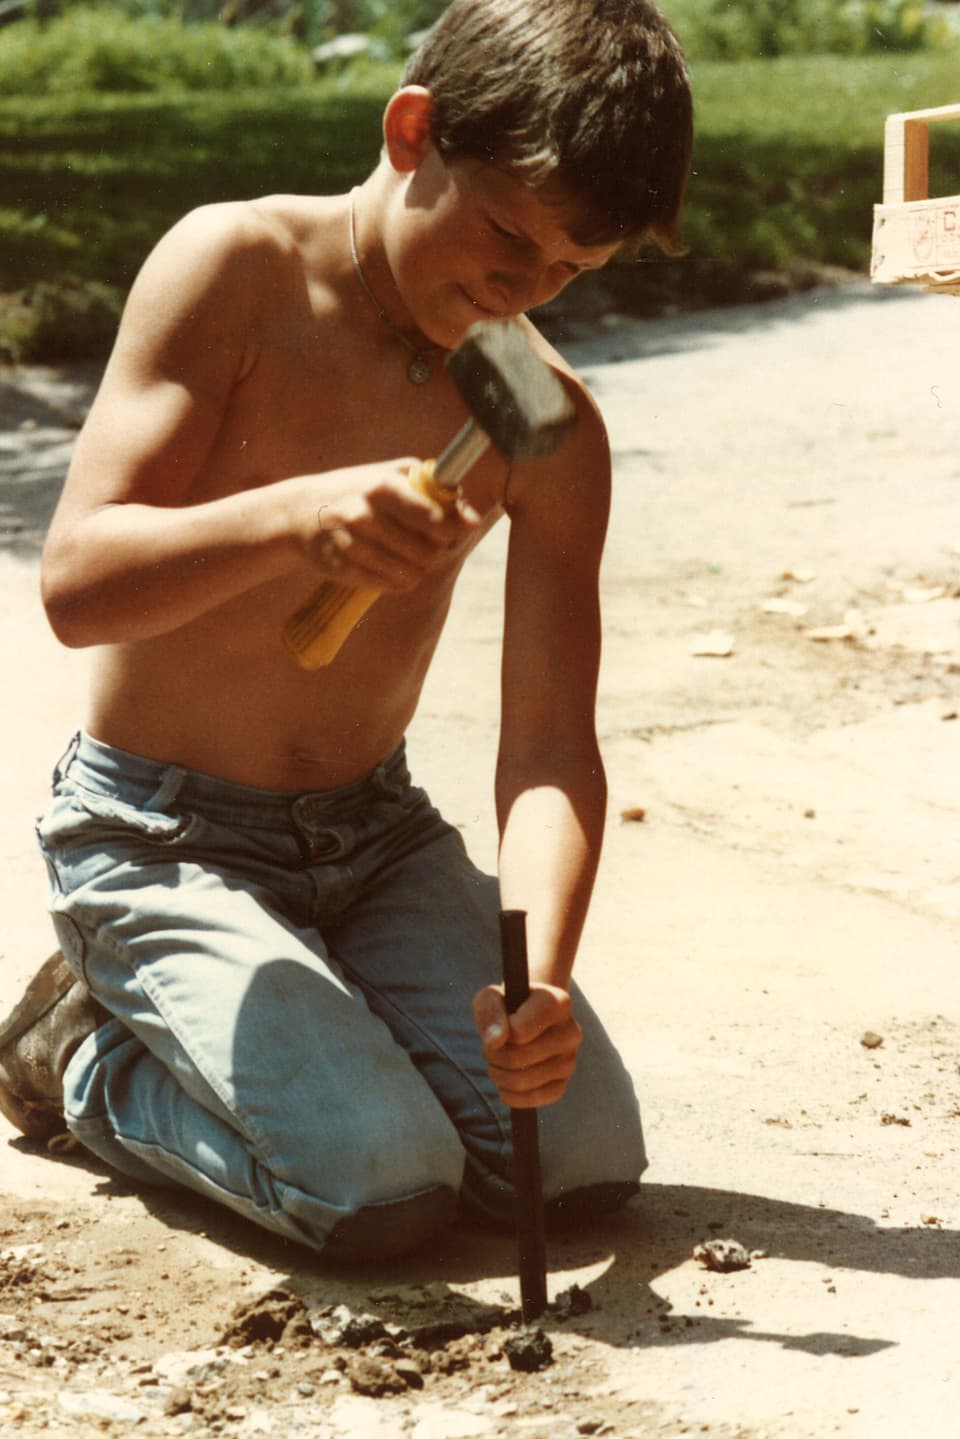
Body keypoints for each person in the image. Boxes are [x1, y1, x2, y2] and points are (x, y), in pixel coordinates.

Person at [0, 0, 693, 1260]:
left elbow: (547, 747)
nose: (521, 293)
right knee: (380, 1186)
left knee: (580, 1164)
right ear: (416, 130)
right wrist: (288, 521)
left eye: (570, 273)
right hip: (161, 835)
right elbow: (76, 585)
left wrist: (535, 965)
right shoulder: (241, 270)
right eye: (505, 239)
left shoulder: (525, 399)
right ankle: (85, 1049)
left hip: (374, 842)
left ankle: (330, 1018)